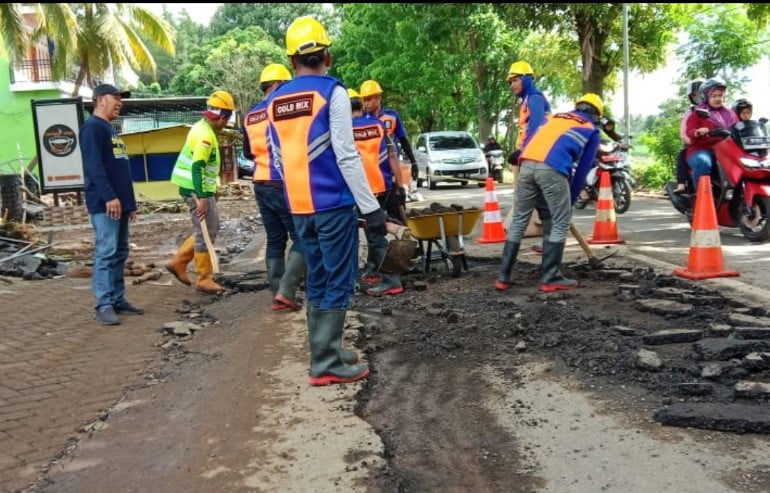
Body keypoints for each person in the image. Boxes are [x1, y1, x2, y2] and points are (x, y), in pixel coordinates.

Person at [266, 16, 383, 386]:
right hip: (332, 205)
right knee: (339, 278)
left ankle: (324, 349)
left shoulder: (274, 101)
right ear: (327, 56)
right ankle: (327, 361)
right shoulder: (331, 93)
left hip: (298, 205)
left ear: (291, 62)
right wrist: (372, 208)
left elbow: (278, 158)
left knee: (316, 276)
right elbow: (346, 155)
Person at [495, 93, 602, 293]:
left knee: (519, 219)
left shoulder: (555, 118)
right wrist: (569, 199)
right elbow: (582, 170)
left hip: (526, 164)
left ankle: (503, 277)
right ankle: (551, 276)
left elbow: (531, 137)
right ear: (597, 115)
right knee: (561, 220)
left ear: (577, 107)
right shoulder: (592, 130)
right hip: (552, 169)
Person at [242, 63, 305, 311]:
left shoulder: (249, 115)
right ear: (279, 85)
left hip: (260, 182)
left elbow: (248, 152)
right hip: (283, 182)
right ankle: (287, 291)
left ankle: (277, 293)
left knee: (275, 240)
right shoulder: (281, 110)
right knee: (302, 238)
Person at [80, 83, 143, 325]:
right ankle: (104, 303)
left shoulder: (110, 129)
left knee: (120, 252)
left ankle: (118, 299)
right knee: (106, 253)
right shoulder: (93, 128)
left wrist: (130, 203)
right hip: (105, 203)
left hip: (120, 204)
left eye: (121, 98)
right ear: (99, 100)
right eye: (115, 97)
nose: (120, 102)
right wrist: (109, 197)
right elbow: (95, 167)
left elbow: (120, 168)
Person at [167, 90, 235, 294]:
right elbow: (197, 167)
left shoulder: (200, 127)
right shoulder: (206, 136)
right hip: (196, 190)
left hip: (197, 189)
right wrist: (203, 198)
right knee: (207, 229)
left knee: (207, 228)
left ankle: (179, 262)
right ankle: (203, 278)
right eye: (227, 118)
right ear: (223, 117)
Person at [349, 88, 405, 297]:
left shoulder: (342, 128)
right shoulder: (378, 124)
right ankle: (373, 272)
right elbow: (392, 156)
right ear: (360, 105)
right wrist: (400, 186)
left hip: (357, 190)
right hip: (381, 187)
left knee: (361, 236)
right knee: (375, 231)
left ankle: (391, 280)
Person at [507, 60, 552, 252]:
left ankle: (550, 245)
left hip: (537, 158)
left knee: (540, 206)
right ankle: (549, 243)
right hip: (530, 157)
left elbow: (536, 127)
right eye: (510, 82)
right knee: (539, 205)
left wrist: (522, 153)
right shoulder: (526, 101)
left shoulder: (534, 97)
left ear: (526, 78)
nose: (512, 85)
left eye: (515, 80)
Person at [360, 79, 418, 196]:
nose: (366, 103)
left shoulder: (392, 116)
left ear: (378, 97)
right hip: (371, 172)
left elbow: (403, 139)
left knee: (396, 206)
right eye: (364, 99)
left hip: (391, 170)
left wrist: (413, 162)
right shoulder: (360, 120)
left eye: (369, 99)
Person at [684, 77, 738, 193]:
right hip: (702, 149)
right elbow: (689, 131)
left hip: (727, 150)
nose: (718, 99)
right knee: (703, 162)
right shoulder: (698, 112)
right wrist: (697, 132)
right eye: (714, 96)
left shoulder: (731, 114)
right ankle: (702, 195)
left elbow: (738, 127)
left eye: (720, 95)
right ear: (706, 96)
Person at [673, 79, 704, 193]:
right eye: (695, 95)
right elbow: (684, 130)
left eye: (701, 93)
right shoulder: (690, 111)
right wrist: (688, 139)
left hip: (715, 144)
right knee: (682, 155)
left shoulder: (717, 109)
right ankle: (681, 184)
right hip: (695, 144)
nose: (698, 97)